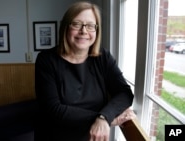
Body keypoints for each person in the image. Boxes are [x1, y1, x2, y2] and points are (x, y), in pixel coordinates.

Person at [35, 1, 135, 141]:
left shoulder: (103, 57)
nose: (84, 31)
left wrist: (104, 117)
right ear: (65, 27)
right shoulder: (46, 59)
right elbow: (53, 109)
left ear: (96, 30)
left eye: (90, 26)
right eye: (76, 24)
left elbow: (124, 92)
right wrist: (105, 119)